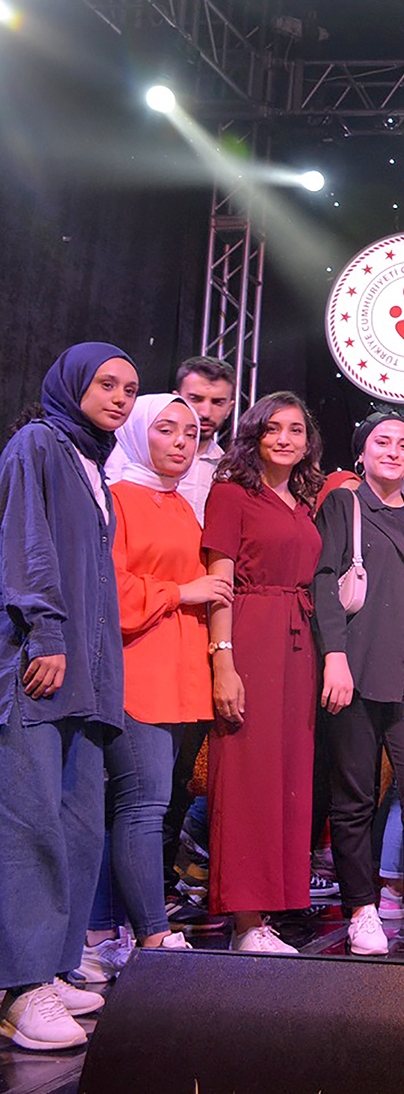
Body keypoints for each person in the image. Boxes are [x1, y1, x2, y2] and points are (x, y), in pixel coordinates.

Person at [0, 343, 136, 1051]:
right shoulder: (38, 444)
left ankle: (52, 967)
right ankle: (20, 989)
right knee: (29, 824)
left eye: (129, 389)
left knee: (79, 824)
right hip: (40, 663)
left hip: (86, 675)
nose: (119, 398)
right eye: (106, 384)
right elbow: (26, 545)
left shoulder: (94, 465)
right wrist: (46, 633)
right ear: (73, 384)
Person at [315, 409, 404, 962]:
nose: (394, 452)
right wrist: (334, 656)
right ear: (362, 451)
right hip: (353, 671)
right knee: (354, 798)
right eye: (382, 442)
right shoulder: (343, 506)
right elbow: (323, 582)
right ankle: (361, 909)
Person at [86, 395, 226, 966]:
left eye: (190, 434)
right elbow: (107, 591)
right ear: (138, 433)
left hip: (177, 672)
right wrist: (182, 591)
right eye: (166, 430)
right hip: (136, 671)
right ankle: (150, 935)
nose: (180, 443)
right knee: (142, 806)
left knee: (140, 807)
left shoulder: (179, 505)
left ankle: (103, 935)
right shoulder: (116, 499)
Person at [202, 392, 325, 954]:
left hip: (298, 644)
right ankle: (245, 921)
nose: (284, 439)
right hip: (250, 634)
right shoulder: (232, 494)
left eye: (295, 430)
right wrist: (223, 660)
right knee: (247, 776)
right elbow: (219, 583)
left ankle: (269, 913)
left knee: (287, 775)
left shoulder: (302, 501)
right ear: (254, 435)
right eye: (273, 428)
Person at [105, 356, 236, 524]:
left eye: (217, 402)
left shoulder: (228, 468)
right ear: (176, 399)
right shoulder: (133, 454)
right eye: (195, 399)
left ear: (229, 409)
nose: (205, 412)